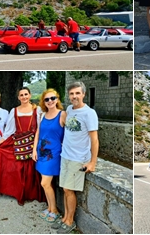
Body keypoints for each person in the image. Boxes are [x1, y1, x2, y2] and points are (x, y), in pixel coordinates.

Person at [52, 82, 99, 234]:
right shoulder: (69, 109)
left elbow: (94, 139)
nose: (74, 96)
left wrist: (93, 162)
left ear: (83, 94)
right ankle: (65, 218)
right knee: (65, 189)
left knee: (68, 189)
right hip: (65, 155)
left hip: (78, 158)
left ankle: (70, 222)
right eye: (72, 94)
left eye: (78, 93)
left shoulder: (89, 113)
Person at [0, 87, 45, 205]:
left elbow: (41, 127)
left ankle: (31, 193)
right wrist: (3, 139)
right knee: (17, 168)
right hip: (19, 142)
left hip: (33, 142)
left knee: (32, 168)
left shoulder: (38, 110)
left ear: (30, 95)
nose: (24, 97)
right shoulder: (14, 111)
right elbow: (10, 129)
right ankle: (18, 193)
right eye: (21, 95)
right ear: (18, 97)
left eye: (26, 94)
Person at [33, 88, 66, 223]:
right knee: (46, 184)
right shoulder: (42, 115)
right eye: (47, 99)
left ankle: (56, 211)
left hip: (53, 154)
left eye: (53, 98)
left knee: (45, 182)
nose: (50, 101)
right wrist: (34, 150)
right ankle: (50, 208)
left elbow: (72, 134)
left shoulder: (62, 114)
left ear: (57, 99)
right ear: (44, 102)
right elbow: (38, 133)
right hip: (41, 152)